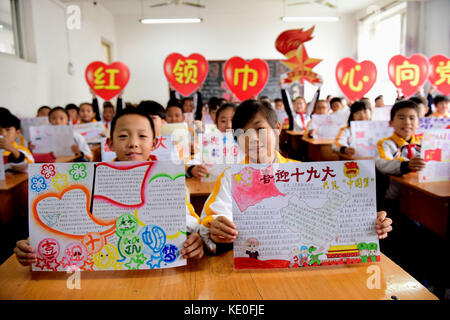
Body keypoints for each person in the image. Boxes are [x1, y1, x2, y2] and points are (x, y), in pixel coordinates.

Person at [13, 107, 204, 266]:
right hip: (102, 270)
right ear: (110, 144)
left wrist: (196, 236)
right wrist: (32, 244)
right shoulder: (88, 181)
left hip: (158, 269)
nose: (133, 144)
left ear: (154, 143)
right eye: (123, 136)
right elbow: (63, 221)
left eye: (142, 136)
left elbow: (188, 220)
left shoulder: (170, 181)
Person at [199, 100, 392, 254]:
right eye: (243, 133)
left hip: (302, 265)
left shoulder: (303, 175)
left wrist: (366, 224)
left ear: (277, 128)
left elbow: (332, 214)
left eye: (260, 129)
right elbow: (212, 218)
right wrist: (215, 230)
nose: (253, 139)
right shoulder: (231, 177)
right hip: (253, 265)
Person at [375, 100, 425, 203]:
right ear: (391, 122)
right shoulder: (385, 143)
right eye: (401, 118)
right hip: (393, 198)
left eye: (412, 118)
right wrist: (406, 165)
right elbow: (383, 164)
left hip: (421, 194)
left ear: (418, 123)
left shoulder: (424, 143)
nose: (407, 122)